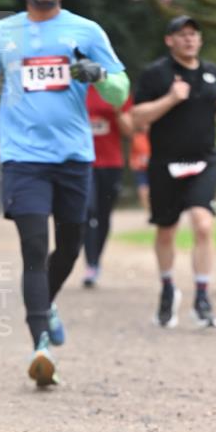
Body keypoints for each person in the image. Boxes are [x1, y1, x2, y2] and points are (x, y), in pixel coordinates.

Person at [0, 0, 129, 386]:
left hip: (74, 155)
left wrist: (97, 75)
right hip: (22, 158)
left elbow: (119, 90)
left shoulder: (85, 31)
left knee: (70, 246)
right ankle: (40, 345)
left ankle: (46, 307)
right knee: (34, 247)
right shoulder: (3, 32)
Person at [132, 15, 216, 328]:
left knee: (203, 225)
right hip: (165, 163)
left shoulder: (211, 72)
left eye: (194, 34)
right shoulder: (156, 74)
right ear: (170, 40)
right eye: (182, 34)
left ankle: (202, 295)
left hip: (203, 161)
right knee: (166, 230)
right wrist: (170, 99)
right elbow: (137, 118)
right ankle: (167, 289)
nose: (189, 39)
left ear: (200, 40)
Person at [82, 83, 134, 287]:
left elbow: (129, 131)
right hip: (84, 161)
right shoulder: (76, 89)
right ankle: (90, 263)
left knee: (103, 214)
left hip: (111, 162)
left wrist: (118, 111)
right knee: (88, 210)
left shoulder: (116, 90)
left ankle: (96, 260)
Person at [129, 127, 151, 213]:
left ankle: (150, 209)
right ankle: (148, 209)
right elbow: (133, 153)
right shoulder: (136, 137)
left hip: (150, 166)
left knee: (145, 188)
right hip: (141, 167)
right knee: (143, 188)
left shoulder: (136, 137)